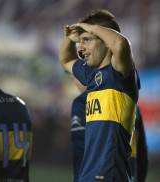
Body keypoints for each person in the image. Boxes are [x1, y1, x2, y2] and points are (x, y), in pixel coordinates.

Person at [59, 9, 139, 181]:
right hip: (88, 174)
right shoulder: (90, 74)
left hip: (109, 173)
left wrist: (90, 27)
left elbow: (120, 43)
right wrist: (69, 38)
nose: (81, 48)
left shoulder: (120, 74)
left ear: (105, 41)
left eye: (86, 40)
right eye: (80, 42)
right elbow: (65, 60)